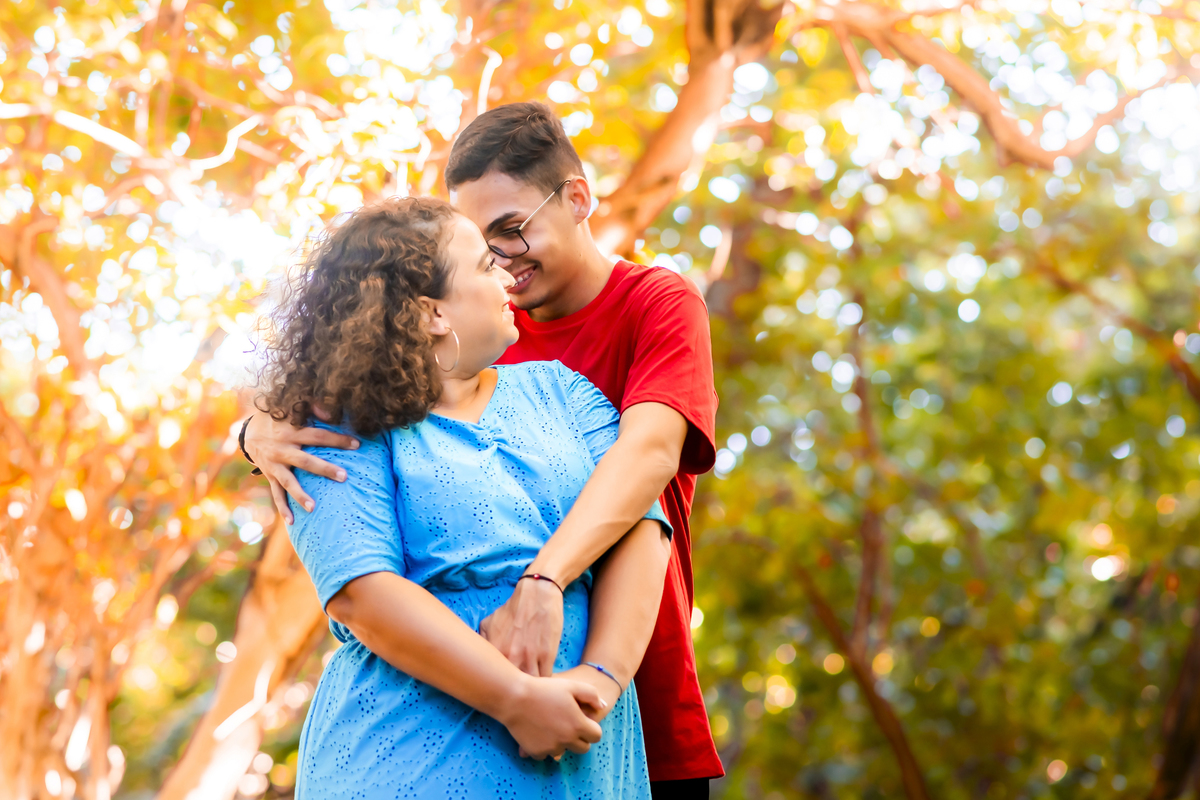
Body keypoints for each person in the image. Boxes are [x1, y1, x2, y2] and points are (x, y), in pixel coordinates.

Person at [244, 102, 724, 797]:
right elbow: (357, 565)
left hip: (637, 689)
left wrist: (547, 588)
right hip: (426, 734)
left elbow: (648, 458)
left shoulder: (649, 307)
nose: (501, 264)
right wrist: (256, 432)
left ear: (577, 199)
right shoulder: (468, 344)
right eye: (481, 247)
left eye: (510, 229)